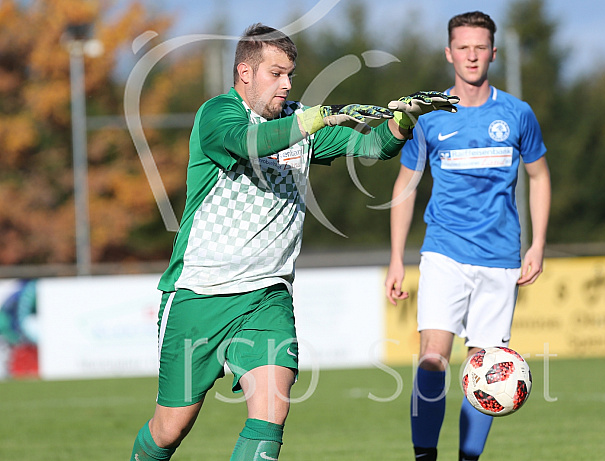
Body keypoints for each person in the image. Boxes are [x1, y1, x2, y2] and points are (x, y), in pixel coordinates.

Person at [129, 23, 458, 461]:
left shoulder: (298, 118)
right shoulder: (217, 114)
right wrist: (314, 118)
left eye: (290, 76)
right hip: (198, 295)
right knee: (170, 429)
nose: (286, 84)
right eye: (276, 74)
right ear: (245, 73)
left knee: (271, 414)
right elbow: (250, 143)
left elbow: (373, 145)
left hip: (267, 296)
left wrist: (402, 121)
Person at [384, 11, 551, 461]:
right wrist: (397, 257)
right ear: (449, 52)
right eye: (463, 47)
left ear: (493, 52)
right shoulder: (430, 114)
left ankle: (467, 459)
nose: (472, 55)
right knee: (432, 359)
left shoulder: (517, 114)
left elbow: (539, 176)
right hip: (445, 252)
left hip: (501, 257)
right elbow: (405, 185)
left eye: (480, 47)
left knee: (488, 370)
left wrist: (537, 244)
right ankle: (424, 457)